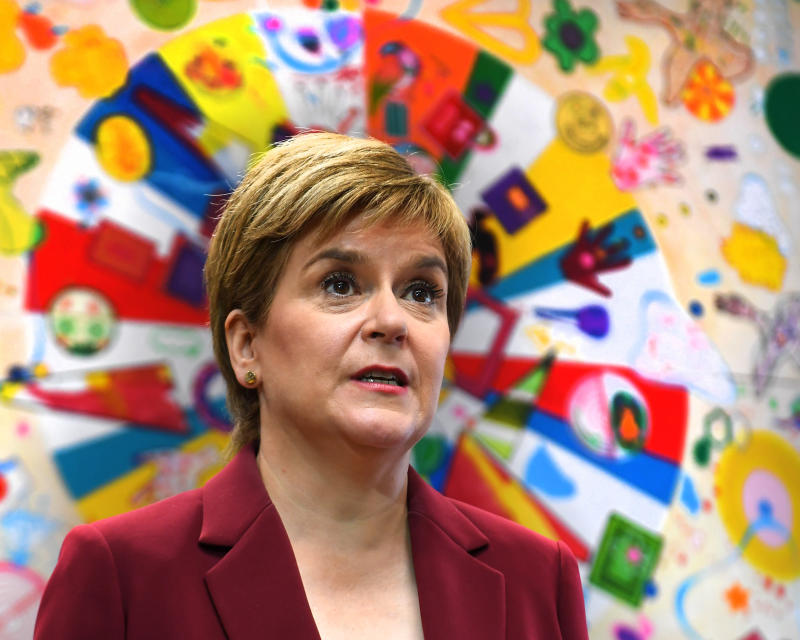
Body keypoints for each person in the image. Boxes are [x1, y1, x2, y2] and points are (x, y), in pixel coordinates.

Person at [34, 132, 589, 639]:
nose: (391, 321)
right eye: (340, 283)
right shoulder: (122, 574)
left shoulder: (539, 578)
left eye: (422, 292)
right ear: (247, 345)